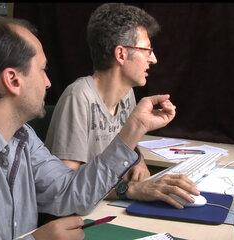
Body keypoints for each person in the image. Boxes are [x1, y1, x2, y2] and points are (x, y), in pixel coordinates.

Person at [0, 17, 198, 240]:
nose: (49, 82)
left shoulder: (22, 136)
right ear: (12, 80)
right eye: (42, 69)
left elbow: (69, 193)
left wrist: (135, 128)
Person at [45, 3, 166, 201]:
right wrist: (130, 190)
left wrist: (138, 161)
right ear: (121, 54)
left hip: (109, 205)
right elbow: (66, 186)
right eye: (147, 50)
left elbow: (128, 146)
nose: (153, 59)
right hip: (82, 215)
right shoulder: (78, 97)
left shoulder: (127, 94)